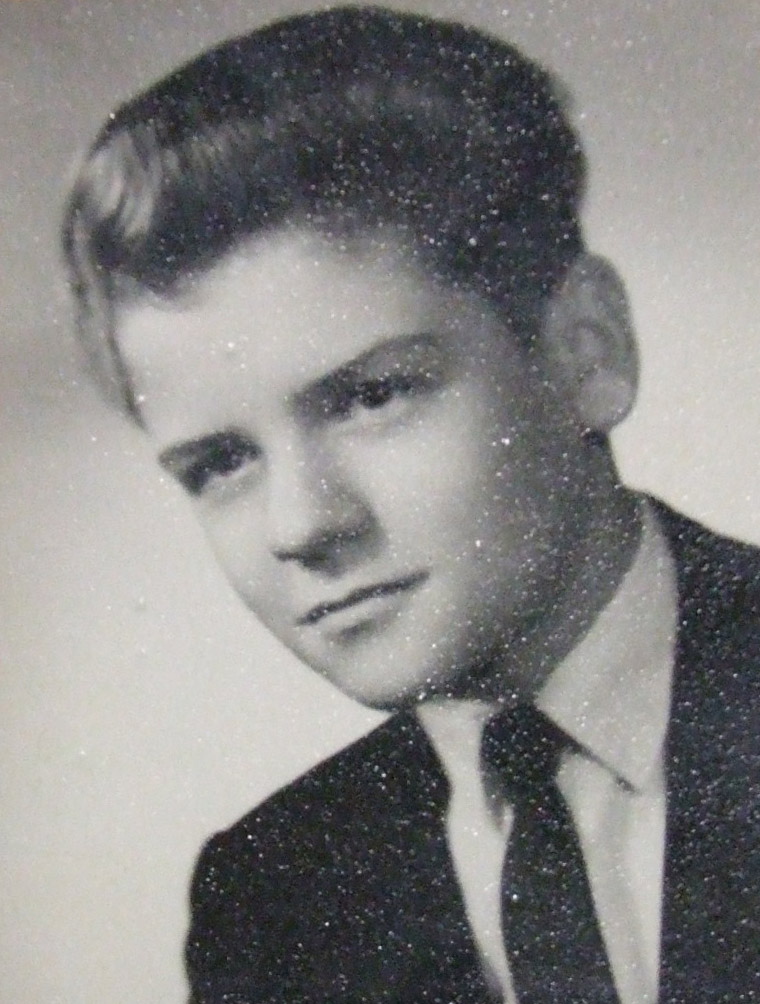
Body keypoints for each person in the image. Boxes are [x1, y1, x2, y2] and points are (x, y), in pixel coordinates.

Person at [61, 6, 758, 1003]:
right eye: (220, 463)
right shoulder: (268, 900)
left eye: (371, 396)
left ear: (585, 351)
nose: (302, 525)